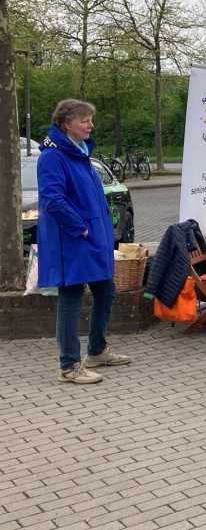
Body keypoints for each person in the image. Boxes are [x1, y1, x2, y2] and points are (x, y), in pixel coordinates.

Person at [37, 99, 130, 384]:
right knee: (71, 297)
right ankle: (69, 365)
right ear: (66, 124)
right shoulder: (53, 157)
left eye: (90, 119)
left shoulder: (79, 153)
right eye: (84, 120)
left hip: (92, 239)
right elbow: (53, 200)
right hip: (72, 241)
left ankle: (97, 349)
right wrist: (81, 228)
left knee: (106, 290)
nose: (91, 125)